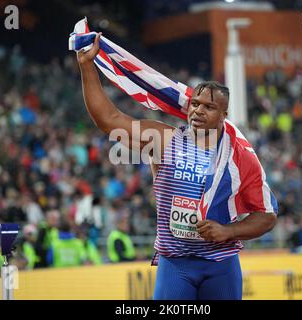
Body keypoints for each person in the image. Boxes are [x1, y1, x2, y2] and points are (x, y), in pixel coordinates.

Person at [76, 33, 277, 300]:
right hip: (175, 263)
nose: (198, 111)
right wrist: (87, 66)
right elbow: (109, 120)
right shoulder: (165, 140)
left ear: (223, 116)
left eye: (209, 107)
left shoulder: (239, 157)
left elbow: (267, 216)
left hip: (220, 263)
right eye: (195, 104)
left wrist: (229, 231)